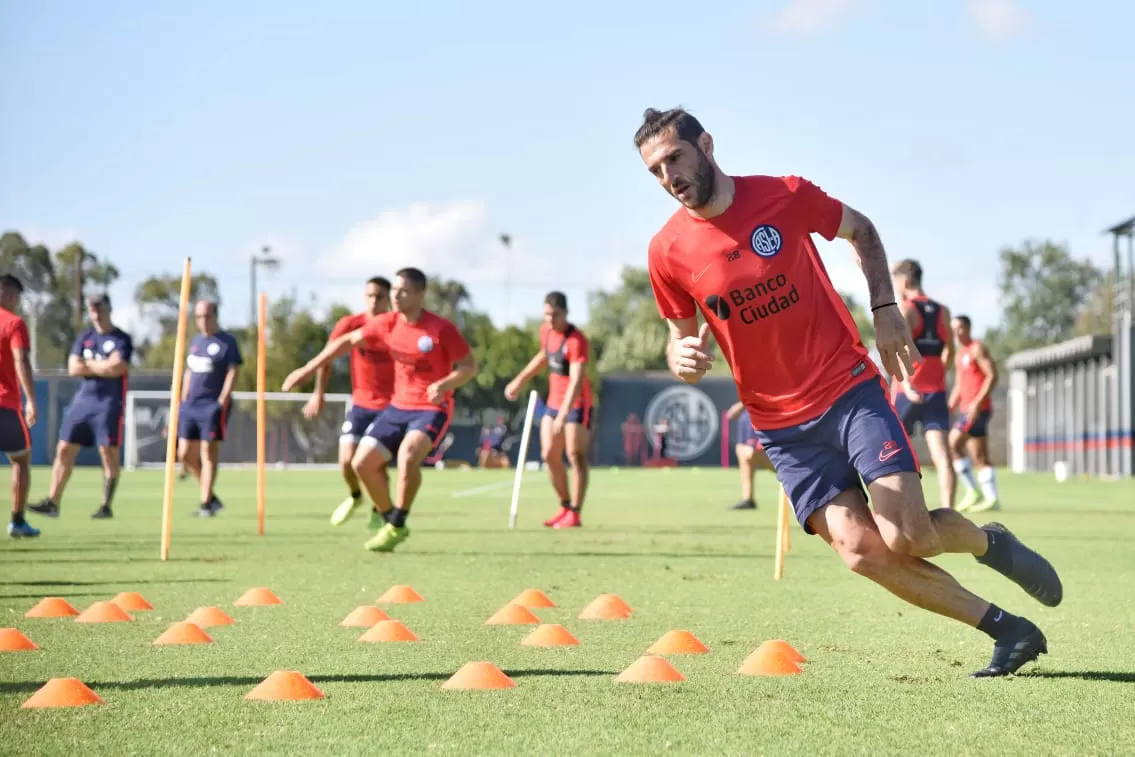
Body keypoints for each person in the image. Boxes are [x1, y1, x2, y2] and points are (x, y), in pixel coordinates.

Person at [636, 106, 1061, 677]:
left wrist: (885, 308)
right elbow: (679, 337)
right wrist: (680, 358)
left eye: (674, 160)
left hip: (847, 392)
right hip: (782, 429)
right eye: (655, 172)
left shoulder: (783, 195)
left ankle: (990, 543)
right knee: (863, 551)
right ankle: (1008, 631)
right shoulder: (666, 252)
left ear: (706, 144)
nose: (669, 179)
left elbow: (862, 230)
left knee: (909, 535)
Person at [283, 267, 476, 552]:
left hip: (431, 408)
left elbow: (469, 366)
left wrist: (446, 383)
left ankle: (397, 520)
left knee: (408, 454)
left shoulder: (441, 329)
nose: (396, 296)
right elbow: (347, 341)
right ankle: (391, 521)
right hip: (397, 407)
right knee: (361, 463)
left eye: (404, 291)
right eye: (395, 290)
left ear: (420, 295)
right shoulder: (387, 323)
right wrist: (307, 370)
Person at [30, 293, 132, 520]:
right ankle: (53, 501)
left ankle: (105, 505)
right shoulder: (85, 337)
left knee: (108, 451)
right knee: (64, 448)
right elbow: (73, 368)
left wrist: (90, 364)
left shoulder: (121, 339)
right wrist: (101, 365)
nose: (96, 313)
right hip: (83, 400)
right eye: (92, 308)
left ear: (108, 308)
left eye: (99, 307)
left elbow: (117, 367)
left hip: (109, 403)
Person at [302, 276, 393, 527]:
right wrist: (318, 393)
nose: (374, 301)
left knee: (374, 463)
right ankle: (356, 496)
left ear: (389, 299)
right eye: (370, 296)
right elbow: (327, 358)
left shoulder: (396, 327)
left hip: (390, 407)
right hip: (361, 404)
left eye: (380, 296)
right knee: (346, 461)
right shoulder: (351, 324)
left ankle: (381, 510)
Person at [504, 291, 593, 528]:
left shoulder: (576, 340)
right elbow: (544, 356)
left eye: (555, 314)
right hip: (552, 402)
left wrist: (563, 415)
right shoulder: (546, 332)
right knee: (548, 455)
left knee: (576, 455)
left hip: (576, 404)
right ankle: (564, 505)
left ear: (565, 313)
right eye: (546, 314)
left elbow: (576, 380)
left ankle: (575, 511)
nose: (550, 319)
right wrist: (520, 380)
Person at [890, 259, 957, 509]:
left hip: (908, 393)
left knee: (894, 455)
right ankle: (949, 511)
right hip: (935, 393)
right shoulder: (943, 311)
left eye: (895, 281)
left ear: (904, 281)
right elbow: (949, 350)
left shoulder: (906, 309)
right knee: (942, 457)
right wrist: (939, 373)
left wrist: (907, 384)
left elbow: (899, 350)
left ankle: (900, 508)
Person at [177, 299, 242, 518]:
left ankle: (205, 502)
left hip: (211, 406)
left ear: (215, 316)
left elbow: (234, 370)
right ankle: (211, 496)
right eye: (198, 317)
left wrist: (223, 398)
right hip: (190, 405)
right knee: (184, 453)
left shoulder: (227, 342)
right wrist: (182, 397)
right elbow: (189, 371)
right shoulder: (195, 342)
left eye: (207, 316)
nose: (203, 321)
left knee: (208, 452)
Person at [0, 275, 40, 538]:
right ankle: (17, 520)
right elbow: (20, 360)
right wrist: (32, 401)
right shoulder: (14, 323)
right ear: (12, 296)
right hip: (5, 405)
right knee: (21, 460)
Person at [949, 315, 1000, 513]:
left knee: (954, 443)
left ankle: (973, 491)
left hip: (978, 409)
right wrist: (950, 405)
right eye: (953, 330)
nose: (956, 333)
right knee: (979, 455)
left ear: (969, 328)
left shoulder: (977, 348)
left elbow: (992, 375)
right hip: (966, 409)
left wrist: (977, 402)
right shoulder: (960, 354)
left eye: (960, 328)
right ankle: (991, 499)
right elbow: (960, 384)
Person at [725, 400, 771, 511]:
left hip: (767, 412)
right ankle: (748, 498)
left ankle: (788, 474)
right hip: (751, 412)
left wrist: (740, 405)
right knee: (742, 450)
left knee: (750, 452)